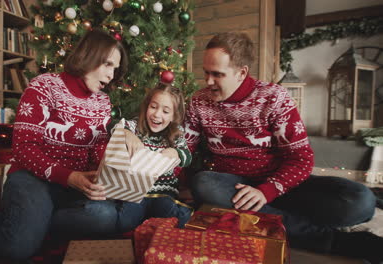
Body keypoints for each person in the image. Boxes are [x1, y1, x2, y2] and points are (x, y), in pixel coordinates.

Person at [185, 32, 383, 263]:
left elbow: (302, 159)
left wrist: (267, 190)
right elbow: (183, 147)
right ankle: (330, 241)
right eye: (206, 73)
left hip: (283, 186)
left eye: (217, 74)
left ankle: (266, 218)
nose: (208, 81)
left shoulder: (274, 98)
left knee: (361, 201)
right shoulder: (199, 101)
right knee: (204, 184)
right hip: (234, 187)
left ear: (241, 73)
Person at [0, 29, 128, 260]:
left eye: (115, 68)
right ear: (88, 56)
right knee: (16, 248)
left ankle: (35, 223)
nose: (112, 75)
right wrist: (70, 176)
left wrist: (107, 163)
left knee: (106, 217)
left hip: (73, 185)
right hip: (32, 178)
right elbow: (24, 149)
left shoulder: (103, 101)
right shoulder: (43, 86)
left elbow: (97, 147)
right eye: (108, 64)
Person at [116, 83, 193, 232]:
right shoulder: (134, 127)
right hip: (134, 192)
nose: (157, 115)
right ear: (146, 107)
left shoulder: (176, 134)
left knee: (172, 216)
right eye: (153, 107)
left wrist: (177, 153)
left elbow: (188, 156)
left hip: (163, 193)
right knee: (125, 223)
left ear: (173, 116)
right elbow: (114, 126)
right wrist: (127, 134)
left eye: (165, 111)